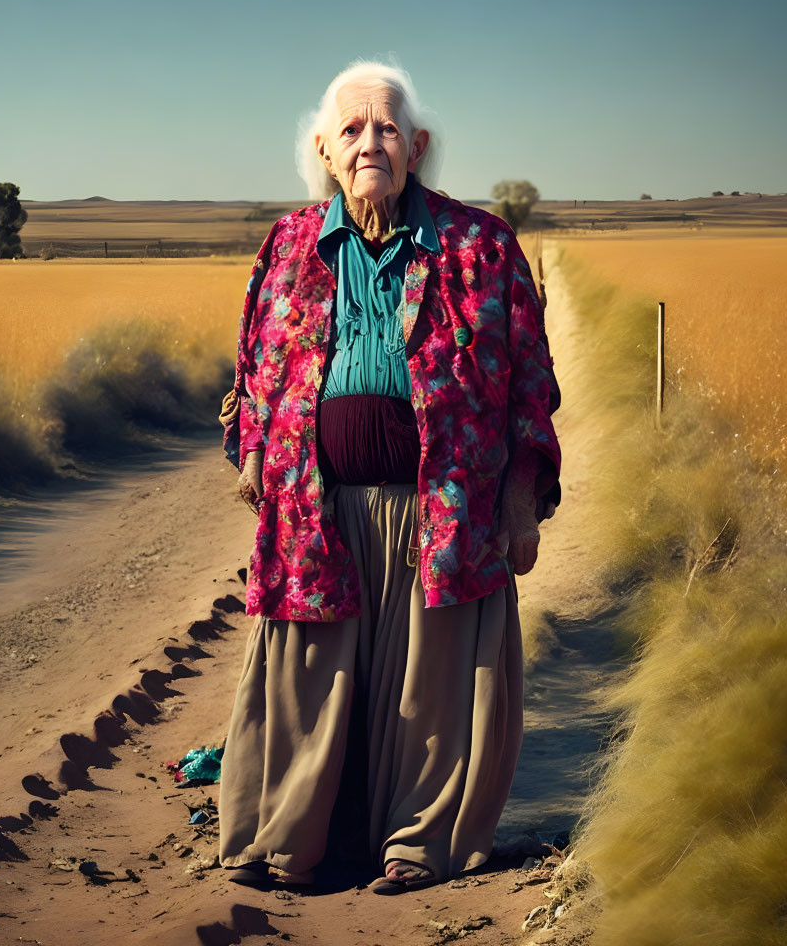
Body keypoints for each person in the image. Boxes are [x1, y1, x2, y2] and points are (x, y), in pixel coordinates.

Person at [216, 59, 561, 893]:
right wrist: (257, 454)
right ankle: (287, 843)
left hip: (441, 511)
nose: (370, 142)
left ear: (418, 147)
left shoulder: (480, 246)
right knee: (304, 678)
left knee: (430, 693)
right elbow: (258, 365)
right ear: (325, 152)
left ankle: (416, 844)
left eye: (387, 128)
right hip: (316, 507)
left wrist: (519, 510)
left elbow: (529, 389)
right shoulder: (292, 243)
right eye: (352, 130)